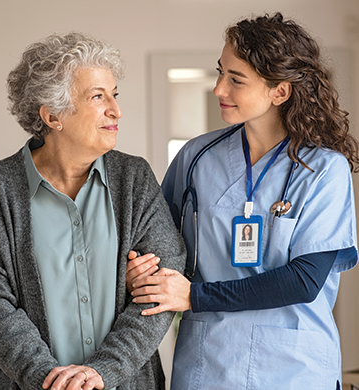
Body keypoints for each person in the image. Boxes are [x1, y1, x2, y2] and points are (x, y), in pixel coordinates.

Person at [127, 12, 359, 390]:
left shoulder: (323, 170)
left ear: (279, 92)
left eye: (236, 80)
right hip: (208, 366)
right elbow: (157, 243)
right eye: (221, 73)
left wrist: (194, 296)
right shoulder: (196, 158)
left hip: (294, 371)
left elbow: (304, 280)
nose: (219, 89)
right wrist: (139, 271)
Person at [0, 32, 186, 390]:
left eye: (114, 95)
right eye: (97, 97)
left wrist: (104, 371)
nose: (116, 110)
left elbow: (163, 285)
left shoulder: (134, 178)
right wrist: (50, 380)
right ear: (53, 115)